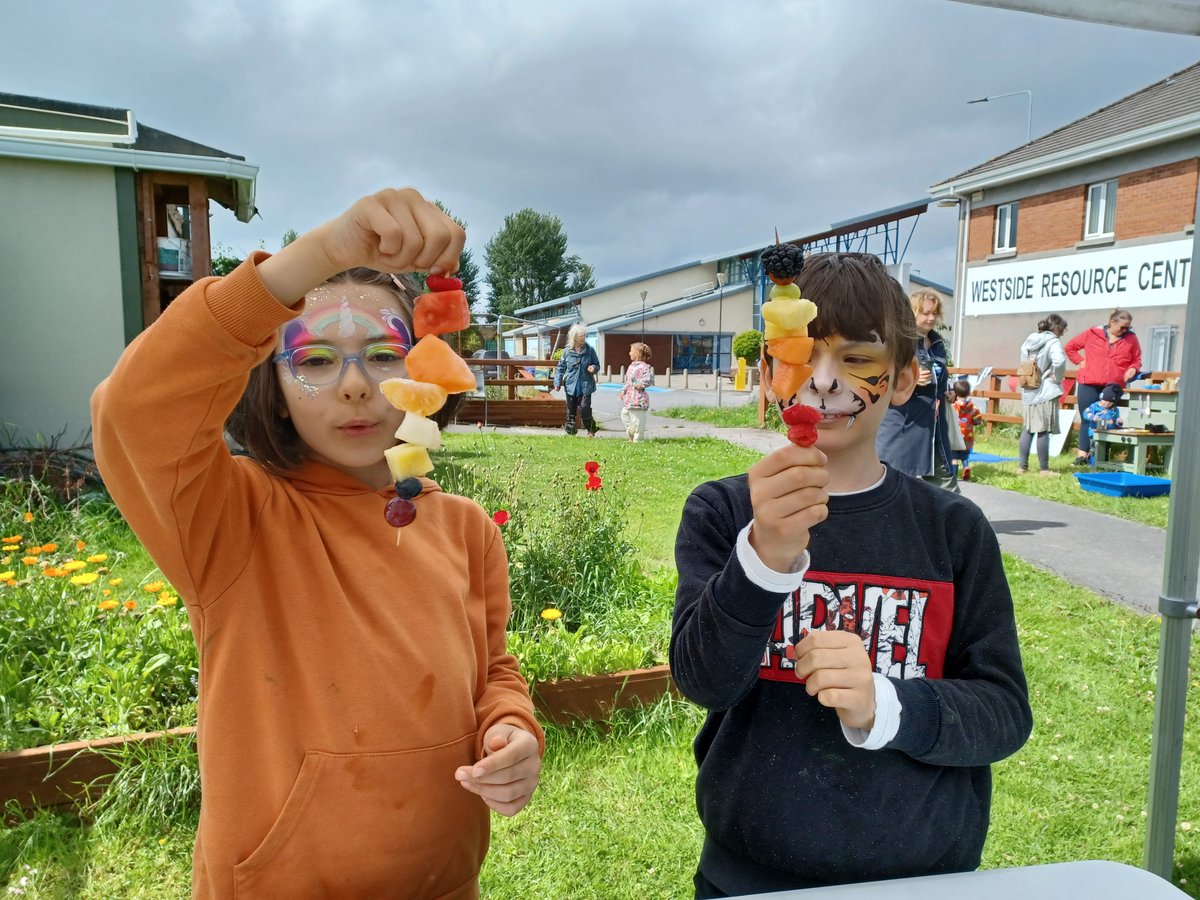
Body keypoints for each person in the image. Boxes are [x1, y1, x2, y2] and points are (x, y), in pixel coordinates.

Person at [92, 189, 544, 900]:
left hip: (444, 882)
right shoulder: (228, 518)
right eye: (317, 359)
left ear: (425, 369)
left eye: (384, 355)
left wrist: (511, 728)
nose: (357, 387)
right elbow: (134, 409)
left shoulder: (463, 529)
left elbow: (491, 669)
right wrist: (320, 257)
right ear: (270, 385)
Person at [671, 252, 1032, 897]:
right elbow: (702, 682)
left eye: (857, 359)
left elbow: (1003, 712)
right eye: (801, 356)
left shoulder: (952, 531)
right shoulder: (723, 511)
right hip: (749, 874)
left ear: (901, 379)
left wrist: (884, 705)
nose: (826, 382)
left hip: (922, 877)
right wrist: (762, 558)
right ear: (769, 375)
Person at [876, 288, 959, 493]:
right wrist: (910, 381)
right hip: (903, 423)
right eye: (925, 313)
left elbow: (941, 372)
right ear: (913, 312)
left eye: (934, 313)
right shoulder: (899, 340)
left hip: (934, 425)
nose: (931, 318)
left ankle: (951, 523)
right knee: (896, 483)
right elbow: (881, 375)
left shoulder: (938, 342)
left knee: (946, 485)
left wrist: (947, 389)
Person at [1064, 308, 1141, 466]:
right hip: (1089, 382)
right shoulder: (1093, 333)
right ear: (1112, 322)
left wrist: (1133, 368)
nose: (1125, 330)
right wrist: (1080, 362)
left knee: (1109, 420)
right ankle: (1082, 456)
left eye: (1128, 327)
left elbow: (1137, 359)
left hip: (1112, 385)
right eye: (1122, 327)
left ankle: (1101, 457)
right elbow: (1070, 347)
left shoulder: (1131, 339)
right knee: (1088, 418)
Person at [1017, 314, 1068, 477]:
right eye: (1064, 328)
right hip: (1045, 390)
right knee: (1043, 430)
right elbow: (1059, 362)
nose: (1064, 332)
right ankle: (1044, 469)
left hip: (1028, 389)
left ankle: (1022, 467)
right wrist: (1057, 377)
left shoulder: (1030, 340)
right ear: (1058, 327)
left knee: (1028, 429)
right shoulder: (1053, 342)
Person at [551, 323, 601, 436]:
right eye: (581, 336)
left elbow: (597, 365)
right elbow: (560, 367)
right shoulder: (567, 351)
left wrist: (593, 368)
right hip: (570, 385)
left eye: (584, 335)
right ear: (574, 337)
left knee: (584, 408)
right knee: (571, 410)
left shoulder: (590, 350)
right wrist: (557, 382)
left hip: (586, 385)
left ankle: (591, 430)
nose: (584, 338)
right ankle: (571, 432)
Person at [951, 379, 985, 480]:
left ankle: (953, 475)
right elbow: (978, 419)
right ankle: (966, 467)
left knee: (954, 457)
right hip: (967, 435)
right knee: (964, 455)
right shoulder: (973, 407)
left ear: (955, 393)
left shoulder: (953, 406)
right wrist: (974, 422)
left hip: (955, 435)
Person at [620, 342, 654, 442]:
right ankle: (631, 431)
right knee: (624, 414)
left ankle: (637, 440)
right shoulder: (631, 366)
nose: (629, 353)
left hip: (639, 399)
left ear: (637, 353)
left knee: (638, 421)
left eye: (631, 351)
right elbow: (628, 381)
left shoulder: (645, 367)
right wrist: (623, 390)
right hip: (629, 398)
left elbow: (648, 380)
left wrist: (638, 383)